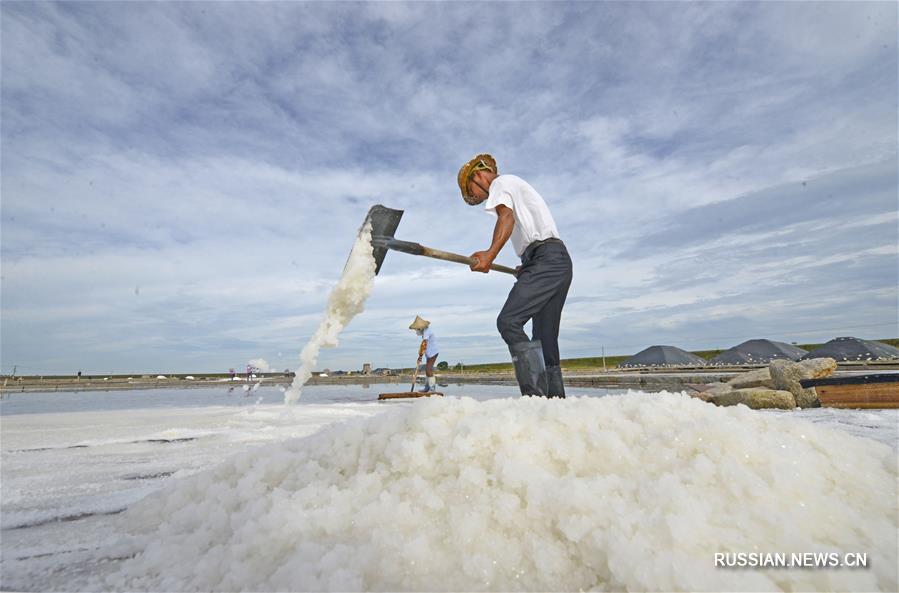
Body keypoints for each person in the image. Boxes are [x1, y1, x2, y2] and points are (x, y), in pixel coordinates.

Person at [457, 153, 572, 398]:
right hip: (555, 260)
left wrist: (489, 255)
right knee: (545, 340)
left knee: (508, 321)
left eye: (472, 192)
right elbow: (530, 232)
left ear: (478, 175)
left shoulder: (501, 183)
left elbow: (506, 217)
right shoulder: (515, 186)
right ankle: (556, 405)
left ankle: (535, 399)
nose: (476, 198)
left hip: (546, 259)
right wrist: (526, 264)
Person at [409, 315, 439, 392]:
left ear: (420, 328)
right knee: (427, 370)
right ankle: (427, 388)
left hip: (433, 352)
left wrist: (420, 356)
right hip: (429, 353)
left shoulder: (426, 332)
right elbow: (423, 345)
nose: (416, 331)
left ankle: (432, 389)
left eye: (416, 330)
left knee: (429, 370)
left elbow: (424, 344)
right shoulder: (425, 331)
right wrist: (420, 356)